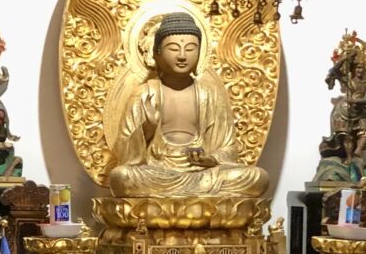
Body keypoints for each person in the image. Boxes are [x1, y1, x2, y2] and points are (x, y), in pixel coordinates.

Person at [108, 12, 268, 198]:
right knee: (121, 177)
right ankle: (194, 198)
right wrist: (146, 130)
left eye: (191, 49)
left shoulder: (211, 95)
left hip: (203, 174)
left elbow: (229, 147)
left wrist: (212, 159)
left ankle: (181, 196)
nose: (182, 56)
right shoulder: (144, 95)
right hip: (159, 172)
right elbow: (124, 154)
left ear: (200, 53)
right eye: (173, 49)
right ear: (157, 54)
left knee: (257, 177)